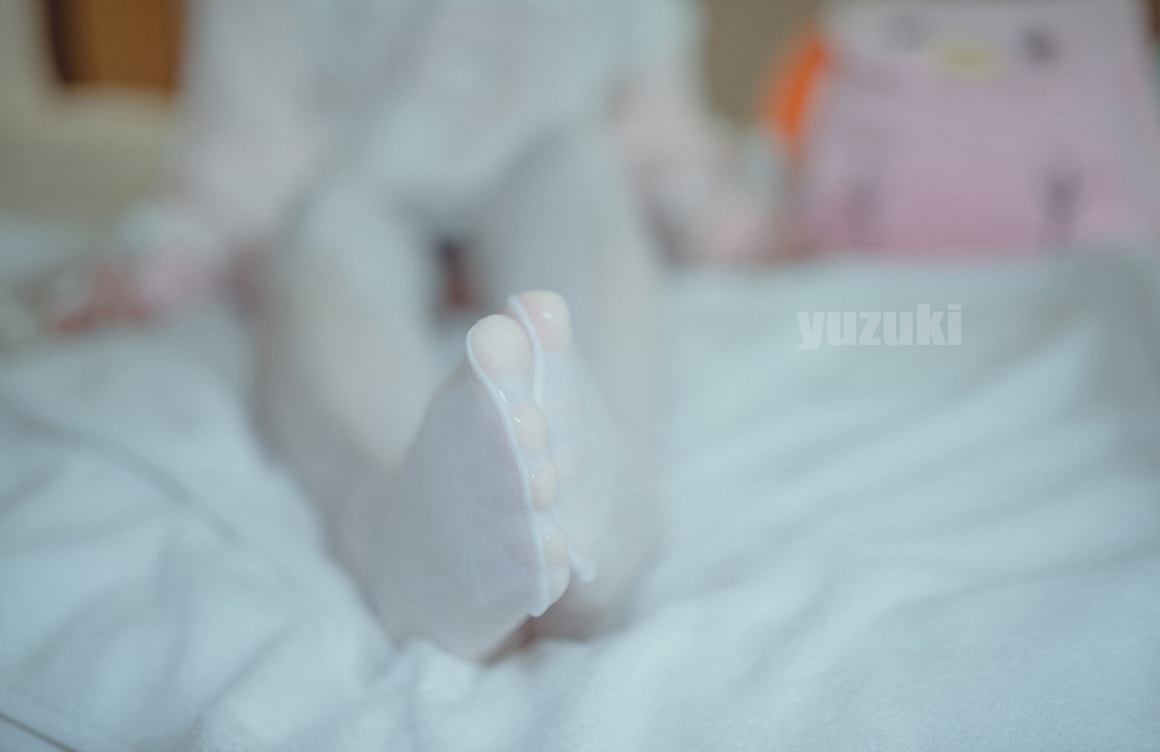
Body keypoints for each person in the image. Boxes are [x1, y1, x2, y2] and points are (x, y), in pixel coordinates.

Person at [48, 0, 773, 659]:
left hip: (550, 163)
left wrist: (726, 222)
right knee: (324, 230)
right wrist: (165, 259)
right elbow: (244, 153)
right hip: (358, 177)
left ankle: (605, 512)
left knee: (584, 174)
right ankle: (400, 533)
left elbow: (657, 138)